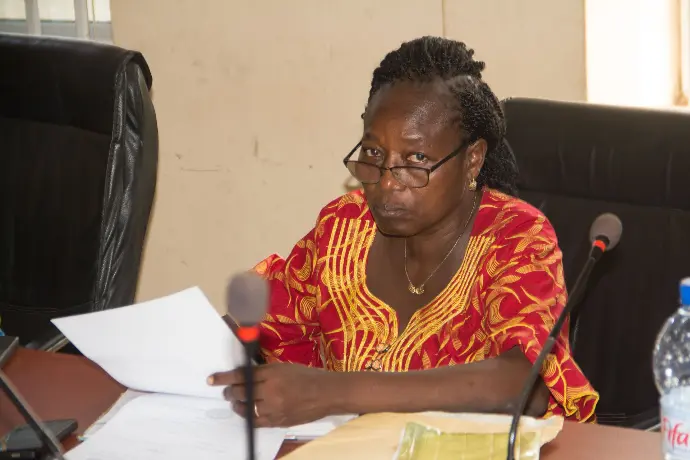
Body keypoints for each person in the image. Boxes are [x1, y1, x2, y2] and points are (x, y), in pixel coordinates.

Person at [208, 36, 599, 427]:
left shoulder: (515, 237)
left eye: (416, 159)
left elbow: (522, 385)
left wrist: (328, 392)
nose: (387, 183)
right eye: (374, 154)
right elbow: (262, 317)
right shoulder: (344, 227)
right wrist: (201, 350)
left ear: (472, 159)